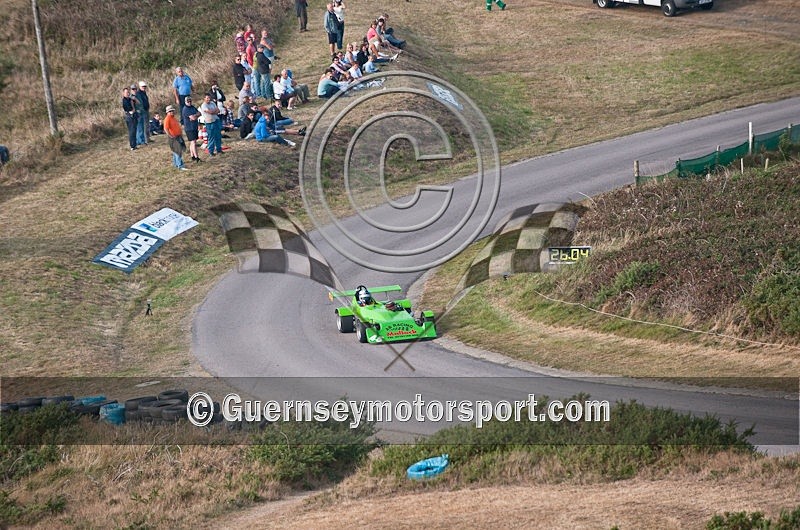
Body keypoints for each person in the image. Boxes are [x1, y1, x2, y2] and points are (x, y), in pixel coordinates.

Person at [163, 105, 188, 171]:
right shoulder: (167, 119)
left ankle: (176, 164)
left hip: (178, 136)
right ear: (167, 112)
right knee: (178, 151)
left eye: (172, 111)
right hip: (173, 137)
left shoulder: (173, 118)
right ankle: (180, 165)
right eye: (170, 111)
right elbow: (166, 128)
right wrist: (170, 135)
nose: (172, 112)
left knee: (175, 151)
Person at [181, 96, 202, 162]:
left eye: (190, 101)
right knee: (193, 142)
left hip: (194, 126)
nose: (189, 102)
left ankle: (192, 155)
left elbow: (199, 113)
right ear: (185, 102)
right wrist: (195, 116)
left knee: (193, 142)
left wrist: (195, 115)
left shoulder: (192, 107)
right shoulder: (185, 109)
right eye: (188, 101)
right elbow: (193, 118)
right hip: (189, 128)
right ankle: (196, 157)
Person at [121, 86, 138, 151]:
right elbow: (128, 108)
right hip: (129, 116)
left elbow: (137, 103)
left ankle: (135, 144)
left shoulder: (130, 99)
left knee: (134, 130)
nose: (127, 93)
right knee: (131, 131)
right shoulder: (124, 100)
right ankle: (132, 146)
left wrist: (133, 100)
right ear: (123, 93)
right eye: (126, 92)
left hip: (134, 115)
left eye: (128, 92)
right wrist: (132, 109)